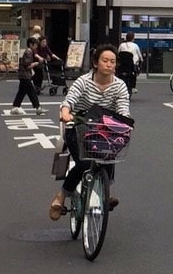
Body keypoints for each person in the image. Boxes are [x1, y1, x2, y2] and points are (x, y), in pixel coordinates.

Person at [51, 45, 133, 220]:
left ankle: (105, 189)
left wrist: (125, 122)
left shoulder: (119, 86)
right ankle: (62, 195)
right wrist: (66, 112)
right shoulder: (83, 81)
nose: (109, 64)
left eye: (113, 61)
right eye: (105, 60)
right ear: (96, 63)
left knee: (111, 151)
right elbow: (70, 99)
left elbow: (123, 109)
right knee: (83, 164)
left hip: (103, 129)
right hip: (79, 127)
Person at [11, 36, 43, 115]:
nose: (36, 46)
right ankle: (37, 107)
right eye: (35, 45)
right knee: (31, 91)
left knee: (22, 92)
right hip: (25, 75)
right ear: (31, 45)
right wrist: (34, 64)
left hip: (23, 75)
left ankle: (15, 107)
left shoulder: (28, 51)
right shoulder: (29, 52)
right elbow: (26, 64)